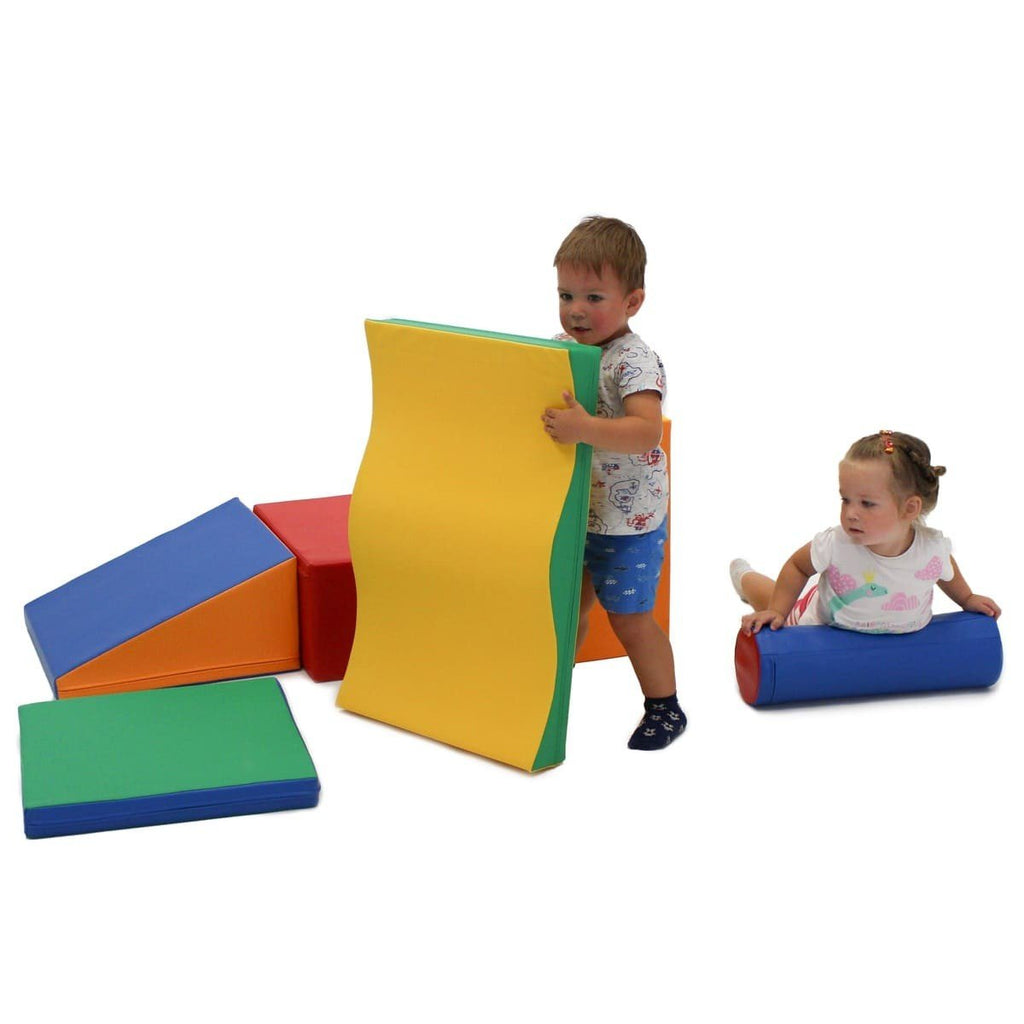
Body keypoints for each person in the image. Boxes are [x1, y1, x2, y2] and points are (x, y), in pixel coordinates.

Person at [541, 216, 685, 751]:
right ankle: (553, 686)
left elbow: (645, 431)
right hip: (575, 510)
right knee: (565, 608)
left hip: (627, 523)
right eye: (566, 295)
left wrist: (583, 428)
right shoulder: (564, 347)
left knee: (630, 619)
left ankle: (665, 706)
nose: (576, 309)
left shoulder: (634, 361)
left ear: (633, 301)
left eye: (594, 297)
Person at [731, 430, 1001, 636]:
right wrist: (777, 610)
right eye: (845, 499)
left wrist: (967, 598)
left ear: (909, 508)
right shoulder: (836, 543)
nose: (850, 513)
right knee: (770, 601)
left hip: (883, 635)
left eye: (867, 503)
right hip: (823, 626)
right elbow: (798, 566)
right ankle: (744, 577)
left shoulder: (931, 548)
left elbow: (944, 568)